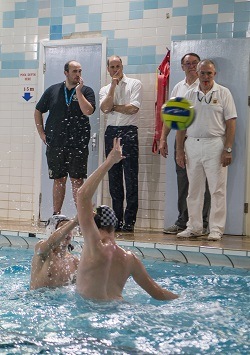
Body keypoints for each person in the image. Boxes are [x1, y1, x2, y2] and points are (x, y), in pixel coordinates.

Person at [76, 138, 178, 301]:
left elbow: (82, 195)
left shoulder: (93, 245)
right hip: (117, 309)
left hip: (88, 312)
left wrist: (109, 162)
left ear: (95, 226)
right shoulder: (130, 258)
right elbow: (158, 294)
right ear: (113, 227)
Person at [176, 59, 237, 241]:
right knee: (194, 189)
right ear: (197, 73)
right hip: (192, 144)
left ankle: (216, 229)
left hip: (215, 145)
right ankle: (194, 227)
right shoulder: (188, 95)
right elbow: (181, 125)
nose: (205, 77)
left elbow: (231, 122)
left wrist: (228, 149)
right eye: (202, 73)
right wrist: (180, 150)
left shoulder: (224, 93)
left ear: (214, 74)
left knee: (217, 189)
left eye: (209, 73)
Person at [34, 60, 96, 215]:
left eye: (80, 71)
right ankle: (56, 215)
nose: (78, 74)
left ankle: (81, 218)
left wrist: (79, 92)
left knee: (77, 181)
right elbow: (38, 111)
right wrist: (42, 133)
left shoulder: (87, 91)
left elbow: (88, 111)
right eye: (74, 71)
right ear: (66, 73)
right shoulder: (52, 91)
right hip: (56, 144)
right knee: (59, 180)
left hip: (78, 144)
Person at [159, 53, 211, 235]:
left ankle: (202, 223)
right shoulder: (178, 88)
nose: (190, 66)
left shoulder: (205, 86)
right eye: (187, 63)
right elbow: (170, 116)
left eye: (194, 63)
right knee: (183, 182)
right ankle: (183, 221)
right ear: (182, 67)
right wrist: (163, 138)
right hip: (181, 141)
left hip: (201, 140)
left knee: (202, 183)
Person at [99, 55, 143, 232]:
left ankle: (129, 221)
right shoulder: (105, 89)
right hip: (111, 133)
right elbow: (104, 108)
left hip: (129, 131)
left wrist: (114, 107)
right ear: (108, 70)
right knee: (114, 179)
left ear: (122, 67)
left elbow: (133, 108)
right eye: (112, 67)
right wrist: (112, 89)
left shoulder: (134, 84)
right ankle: (116, 220)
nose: (115, 70)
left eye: (118, 66)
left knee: (131, 178)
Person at [30, 214, 79, 290]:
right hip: (36, 300)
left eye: (70, 228)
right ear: (52, 231)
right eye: (62, 227)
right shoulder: (42, 250)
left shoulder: (74, 262)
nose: (68, 231)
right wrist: (74, 222)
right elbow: (51, 242)